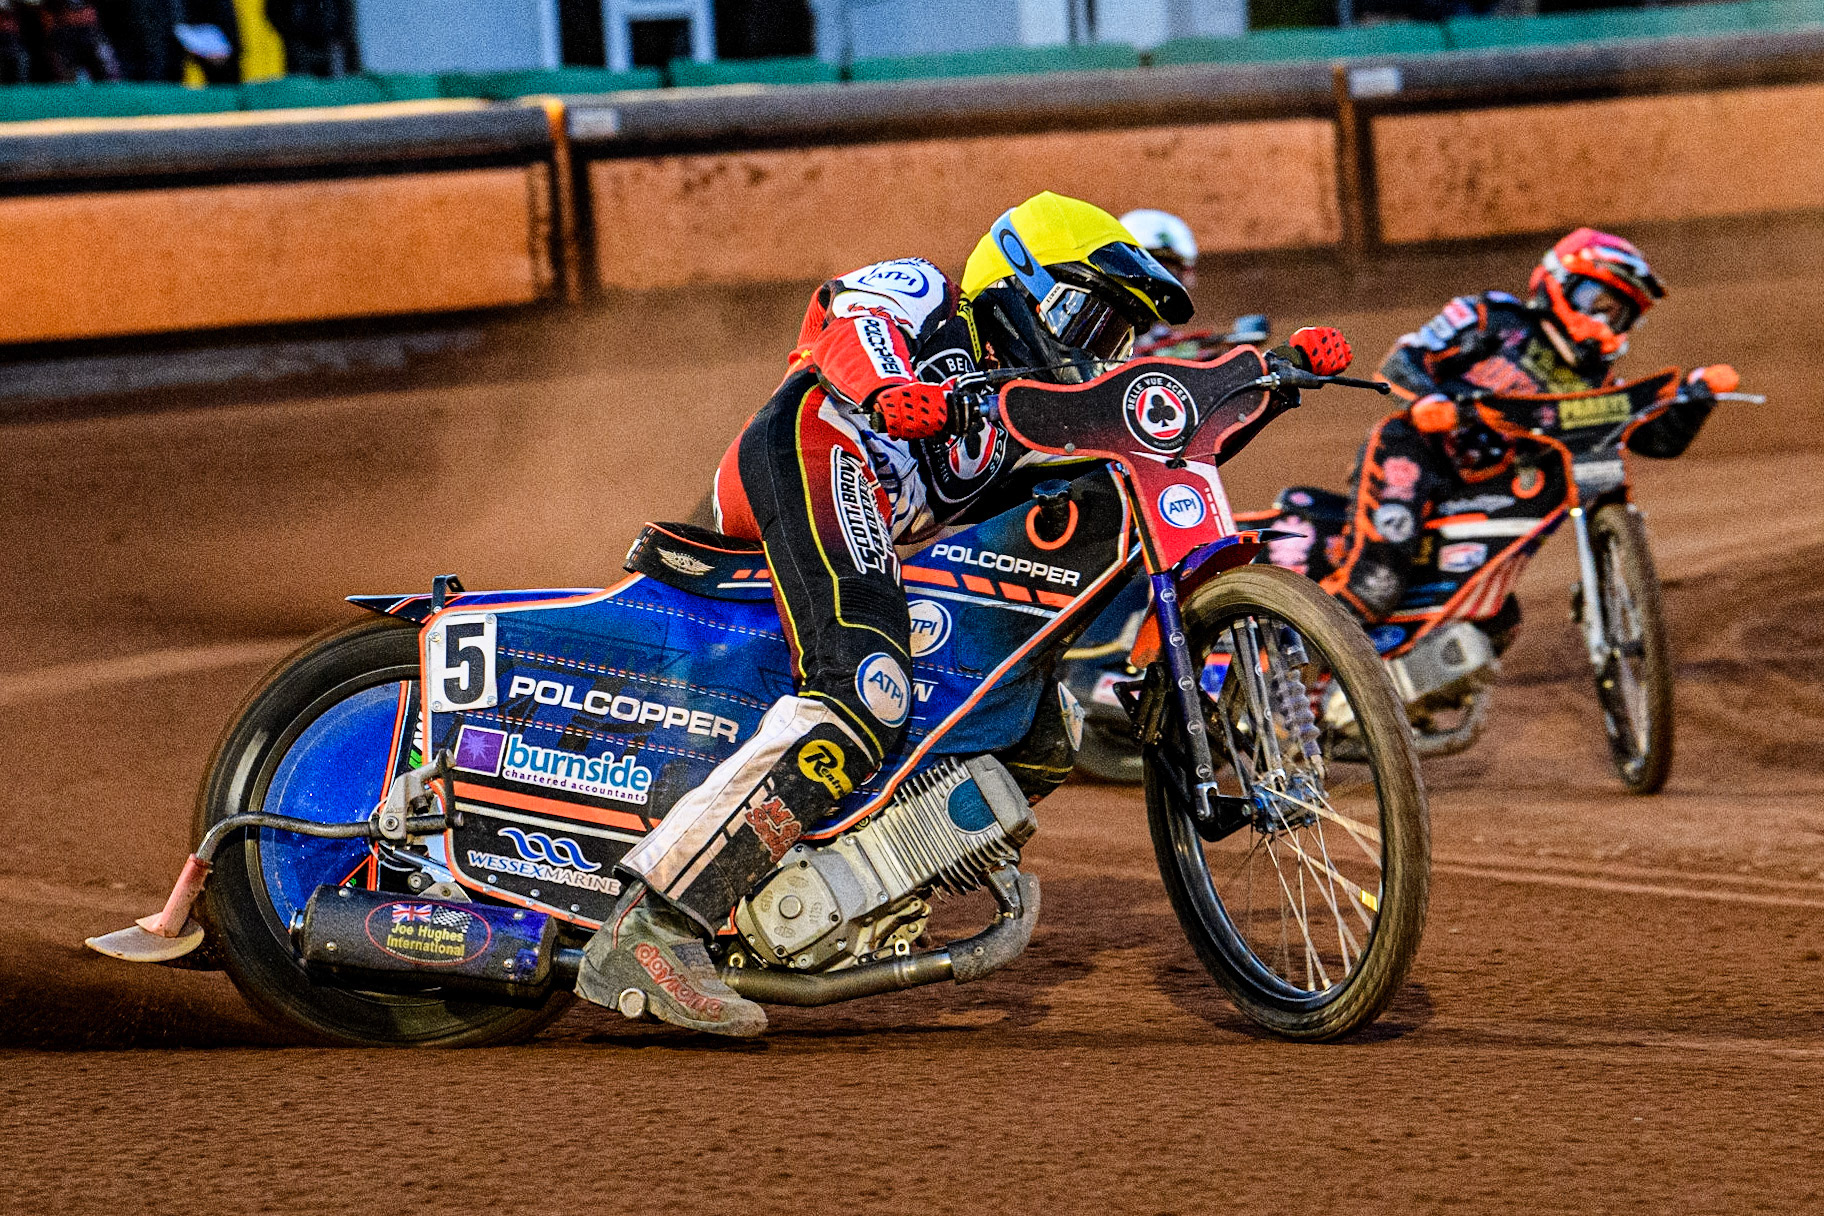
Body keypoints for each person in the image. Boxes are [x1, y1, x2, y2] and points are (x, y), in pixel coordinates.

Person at [573, 193, 1200, 1037]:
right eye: (1086, 319)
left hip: (863, 518)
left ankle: (857, 887)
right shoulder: (927, 293)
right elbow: (848, 327)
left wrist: (1269, 378)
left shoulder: (1021, 417)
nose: (1093, 353)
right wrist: (893, 390)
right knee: (866, 691)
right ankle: (651, 931)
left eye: (1113, 339)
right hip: (813, 447)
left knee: (1035, 721)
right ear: (1021, 282)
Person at [1319, 226, 1730, 630]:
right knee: (1374, 588)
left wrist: (1696, 400)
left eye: (1618, 313)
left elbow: (1652, 438)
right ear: (1560, 284)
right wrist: (1428, 399)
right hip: (1418, 454)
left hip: (1490, 490)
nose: (1604, 320)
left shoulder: (1596, 383)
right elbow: (1404, 360)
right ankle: (1291, 655)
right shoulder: (1493, 318)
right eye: (1596, 301)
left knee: (1493, 618)